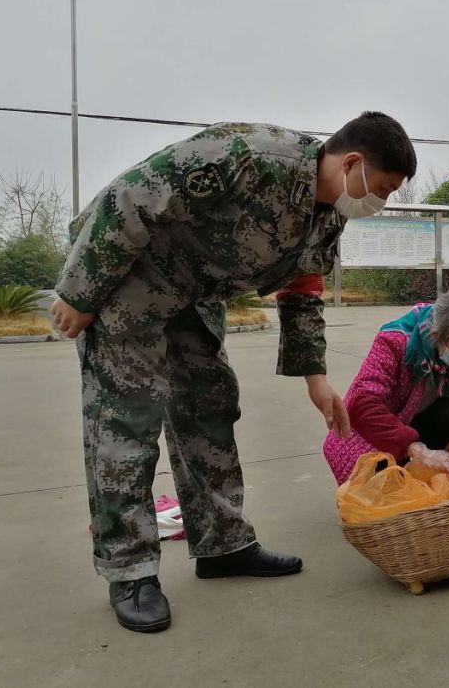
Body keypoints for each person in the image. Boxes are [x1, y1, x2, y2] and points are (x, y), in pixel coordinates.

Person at [50, 113, 416, 633]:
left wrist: (315, 376)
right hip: (128, 284)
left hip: (194, 296)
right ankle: (130, 570)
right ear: (353, 162)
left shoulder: (330, 213)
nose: (379, 202)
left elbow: (304, 288)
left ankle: (223, 544)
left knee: (211, 406)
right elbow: (130, 198)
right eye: (381, 188)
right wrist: (79, 292)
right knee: (125, 422)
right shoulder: (248, 157)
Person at [324, 289, 449, 484]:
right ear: (436, 335)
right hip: (371, 431)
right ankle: (412, 470)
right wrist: (417, 450)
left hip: (415, 421)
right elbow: (363, 405)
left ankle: (446, 475)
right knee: (388, 490)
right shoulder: (394, 342)